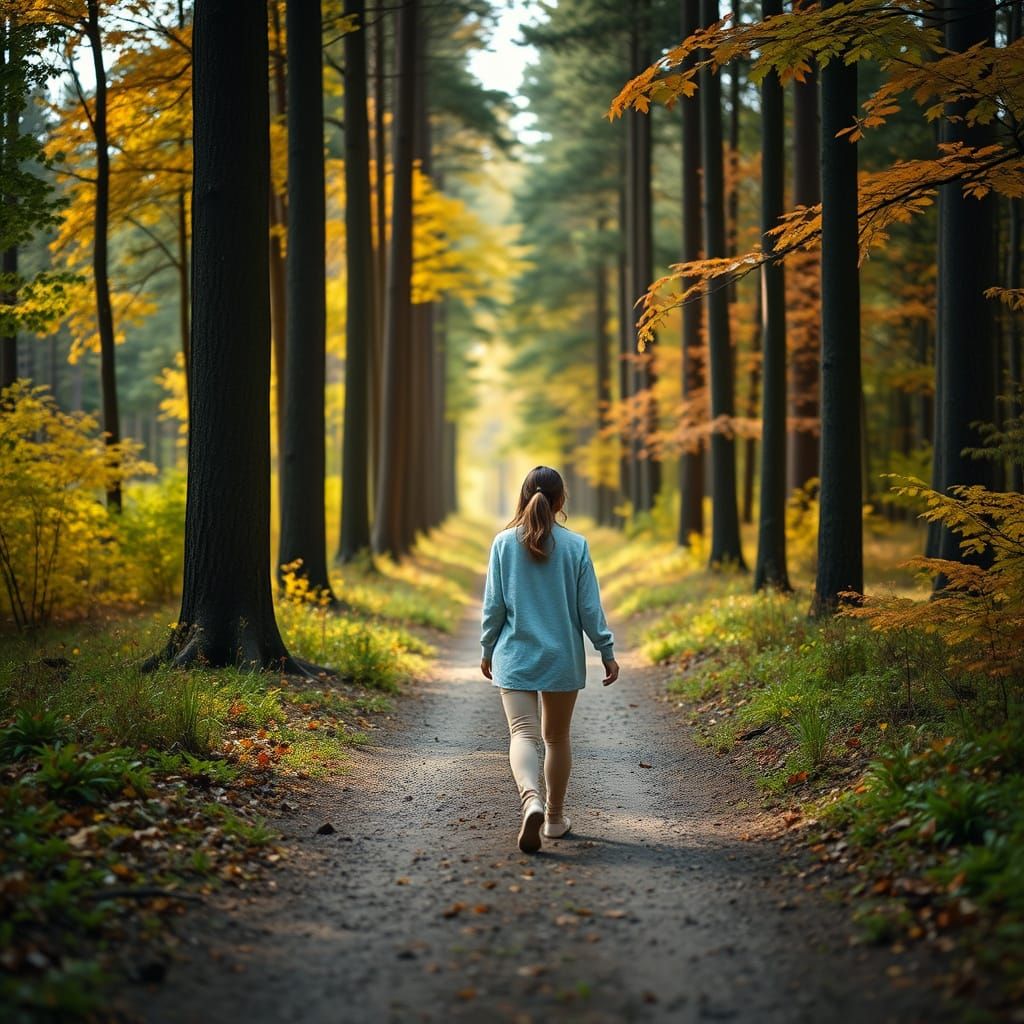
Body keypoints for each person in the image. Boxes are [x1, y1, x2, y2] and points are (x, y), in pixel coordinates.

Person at [480, 465, 619, 854]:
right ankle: (555, 820)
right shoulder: (576, 546)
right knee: (556, 738)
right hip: (561, 659)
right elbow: (589, 608)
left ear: (524, 496)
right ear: (561, 501)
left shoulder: (503, 543)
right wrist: (605, 650)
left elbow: (494, 607)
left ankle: (531, 801)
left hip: (515, 656)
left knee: (522, 735)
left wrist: (487, 647)